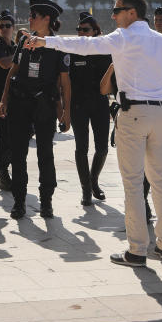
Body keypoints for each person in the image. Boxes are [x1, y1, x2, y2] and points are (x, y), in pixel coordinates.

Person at [25, 0, 162, 267]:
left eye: (117, 10)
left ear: (132, 13)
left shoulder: (123, 37)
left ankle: (137, 250)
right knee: (160, 181)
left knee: (134, 184)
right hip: (161, 114)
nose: (112, 15)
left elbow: (84, 45)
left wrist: (46, 41)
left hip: (133, 113)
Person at [0, 0, 71, 219]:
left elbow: (65, 83)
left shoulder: (58, 46)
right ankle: (19, 202)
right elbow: (13, 71)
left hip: (44, 105)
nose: (28, 20)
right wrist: (3, 99)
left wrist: (66, 112)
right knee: (18, 154)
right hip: (20, 103)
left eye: (33, 16)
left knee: (45, 154)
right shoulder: (25, 41)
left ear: (47, 19)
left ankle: (46, 201)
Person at [68, 12, 113, 206]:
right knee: (81, 148)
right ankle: (86, 189)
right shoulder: (72, 50)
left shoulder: (105, 50)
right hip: (78, 104)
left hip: (100, 103)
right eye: (78, 30)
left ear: (96, 31)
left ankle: (93, 179)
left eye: (85, 30)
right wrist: (63, 108)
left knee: (102, 148)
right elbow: (65, 82)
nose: (81, 33)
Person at [0, 10, 17, 191]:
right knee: (3, 136)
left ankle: (0, 165)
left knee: (19, 135)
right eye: (1, 26)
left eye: (8, 26)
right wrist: (22, 55)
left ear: (13, 28)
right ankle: (3, 170)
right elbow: (4, 63)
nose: (4, 29)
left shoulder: (15, 47)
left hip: (17, 98)